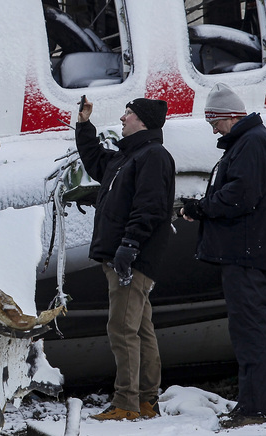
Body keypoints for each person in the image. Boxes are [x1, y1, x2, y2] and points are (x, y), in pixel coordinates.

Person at [179, 83, 266, 429]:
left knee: (250, 334)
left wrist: (200, 208)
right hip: (246, 254)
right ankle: (251, 405)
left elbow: (241, 195)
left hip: (248, 256)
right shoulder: (250, 142)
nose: (212, 129)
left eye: (213, 121)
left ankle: (256, 410)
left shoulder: (252, 142)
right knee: (247, 333)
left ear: (230, 116)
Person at [76, 96, 175, 421]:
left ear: (142, 121)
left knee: (121, 328)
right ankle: (146, 400)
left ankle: (126, 404)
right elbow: (94, 161)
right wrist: (84, 124)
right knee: (140, 329)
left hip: (132, 259)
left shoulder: (153, 156)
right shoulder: (128, 156)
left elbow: (150, 207)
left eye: (128, 114)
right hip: (125, 256)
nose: (122, 117)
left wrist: (129, 246)